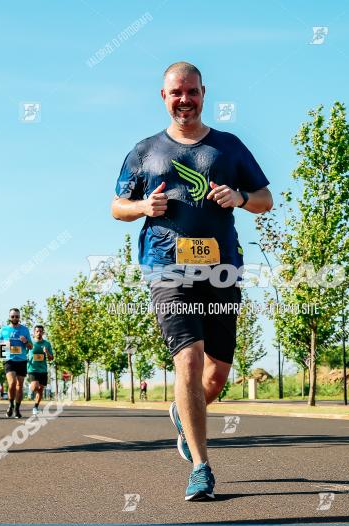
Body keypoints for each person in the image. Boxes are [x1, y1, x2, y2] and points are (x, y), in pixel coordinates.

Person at [112, 61, 272, 501]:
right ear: (163, 97)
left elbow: (265, 199)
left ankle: (182, 413)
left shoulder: (229, 147)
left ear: (204, 93)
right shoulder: (145, 151)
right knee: (189, 360)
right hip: (167, 269)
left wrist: (239, 197)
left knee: (217, 373)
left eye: (192, 92)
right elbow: (116, 206)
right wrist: (144, 207)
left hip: (221, 270)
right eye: (176, 93)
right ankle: (201, 468)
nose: (185, 100)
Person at [0, 308, 32, 418]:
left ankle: (17, 408)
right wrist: (5, 343)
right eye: (12, 316)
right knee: (12, 383)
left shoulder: (25, 330)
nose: (15, 318)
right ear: (9, 317)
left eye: (16, 316)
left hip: (21, 360)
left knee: (19, 386)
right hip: (9, 360)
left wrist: (25, 341)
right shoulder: (4, 330)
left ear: (19, 317)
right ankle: (10, 404)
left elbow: (31, 346)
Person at [26, 325, 54, 416]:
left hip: (43, 370)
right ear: (34, 333)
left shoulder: (47, 344)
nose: (39, 333)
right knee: (35, 387)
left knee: (40, 390)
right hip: (32, 369)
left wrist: (47, 352)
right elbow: (24, 353)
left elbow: (51, 358)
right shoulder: (30, 344)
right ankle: (31, 389)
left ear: (43, 332)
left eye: (40, 331)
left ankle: (35, 407)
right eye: (37, 331)